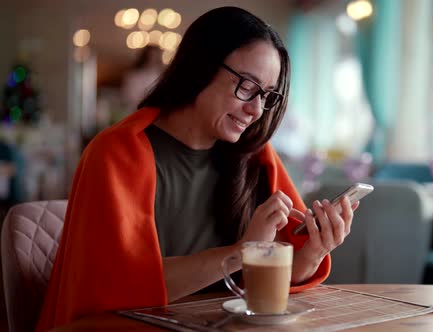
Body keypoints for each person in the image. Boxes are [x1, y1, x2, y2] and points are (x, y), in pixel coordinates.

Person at [36, 6, 358, 331]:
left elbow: (272, 284)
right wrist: (240, 252)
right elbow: (120, 288)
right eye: (247, 86)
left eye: (266, 95)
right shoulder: (117, 152)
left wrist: (314, 252)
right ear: (201, 66)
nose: (256, 110)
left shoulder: (256, 157)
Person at [121, 45, 164, 111]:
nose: (153, 59)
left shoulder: (161, 75)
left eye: (156, 56)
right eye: (151, 56)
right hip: (136, 111)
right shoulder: (135, 75)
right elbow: (129, 96)